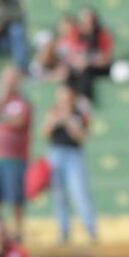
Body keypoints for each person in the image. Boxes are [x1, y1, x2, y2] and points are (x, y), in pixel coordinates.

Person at [0, 66, 31, 239]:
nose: (8, 83)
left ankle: (17, 232)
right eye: (5, 79)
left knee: (15, 199)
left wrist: (2, 116)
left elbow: (19, 122)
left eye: (11, 80)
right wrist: (2, 98)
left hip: (14, 159)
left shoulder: (22, 103)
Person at [43, 84, 96, 244]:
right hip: (55, 153)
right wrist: (56, 121)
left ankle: (90, 230)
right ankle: (63, 232)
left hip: (73, 154)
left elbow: (82, 137)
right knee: (59, 195)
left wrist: (69, 122)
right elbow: (45, 133)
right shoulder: (53, 111)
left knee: (79, 193)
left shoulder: (80, 114)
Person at [33, 9, 113, 102]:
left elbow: (104, 60)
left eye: (90, 22)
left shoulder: (101, 35)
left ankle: (82, 99)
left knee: (81, 72)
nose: (87, 26)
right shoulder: (73, 37)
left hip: (94, 69)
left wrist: (86, 62)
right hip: (71, 68)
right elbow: (71, 56)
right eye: (84, 22)